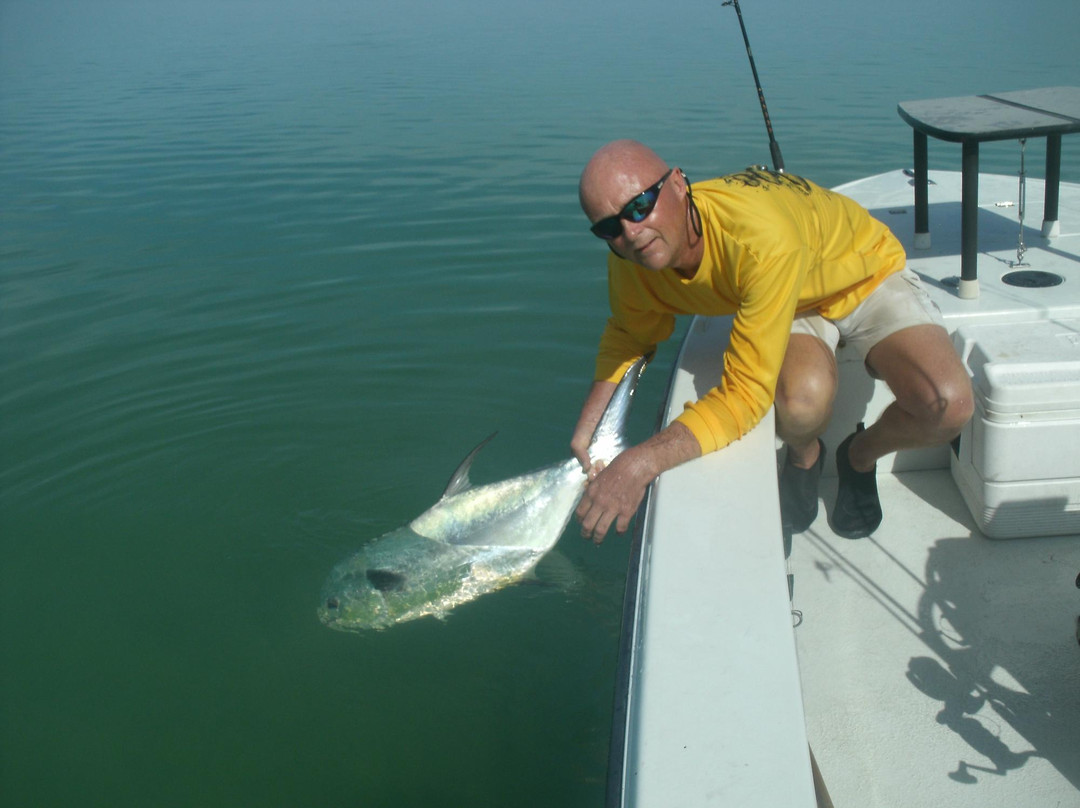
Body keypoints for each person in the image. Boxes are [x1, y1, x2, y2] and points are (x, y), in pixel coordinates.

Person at [570, 140, 973, 543]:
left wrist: (641, 463)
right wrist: (592, 429)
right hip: (790, 298)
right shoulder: (629, 258)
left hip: (861, 270)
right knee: (801, 402)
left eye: (640, 206)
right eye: (609, 227)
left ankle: (859, 456)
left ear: (678, 183)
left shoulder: (757, 237)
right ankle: (806, 454)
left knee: (948, 406)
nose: (631, 232)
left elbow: (743, 398)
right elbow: (630, 334)